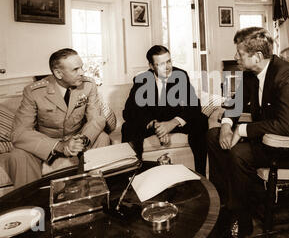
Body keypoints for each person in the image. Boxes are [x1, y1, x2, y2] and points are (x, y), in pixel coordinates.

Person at [207, 27, 289, 238]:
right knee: (213, 137)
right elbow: (235, 102)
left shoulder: (287, 76)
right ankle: (226, 204)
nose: (235, 57)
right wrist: (226, 125)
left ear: (257, 56)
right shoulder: (251, 73)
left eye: (239, 53)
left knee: (238, 153)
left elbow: (286, 126)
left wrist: (242, 129)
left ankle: (242, 219)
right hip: (268, 138)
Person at [8, 48, 110, 188]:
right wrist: (60, 146)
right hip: (48, 142)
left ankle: (91, 191)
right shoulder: (34, 92)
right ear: (58, 73)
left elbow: (97, 119)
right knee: (18, 155)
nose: (82, 72)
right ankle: (31, 203)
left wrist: (83, 138)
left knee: (102, 137)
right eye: (75, 69)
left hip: (77, 137)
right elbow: (19, 132)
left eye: (82, 67)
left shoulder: (88, 85)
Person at [121, 45, 208, 176]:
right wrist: (154, 124)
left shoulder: (181, 75)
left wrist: (172, 123)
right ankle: (132, 177)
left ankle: (200, 174)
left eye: (168, 61)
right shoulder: (142, 79)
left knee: (201, 120)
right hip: (153, 123)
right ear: (151, 66)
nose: (167, 67)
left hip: (174, 122)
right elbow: (129, 112)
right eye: (161, 64)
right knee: (128, 127)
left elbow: (194, 106)